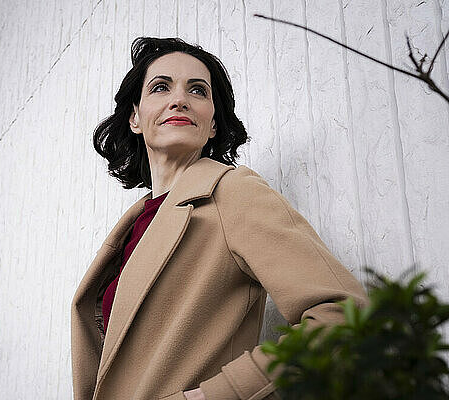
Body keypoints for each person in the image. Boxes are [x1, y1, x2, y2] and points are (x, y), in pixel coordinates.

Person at [71, 37, 368, 400]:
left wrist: (211, 396)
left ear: (212, 124)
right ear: (135, 117)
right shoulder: (134, 226)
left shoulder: (232, 192)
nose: (179, 99)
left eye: (198, 90)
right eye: (161, 87)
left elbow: (341, 316)